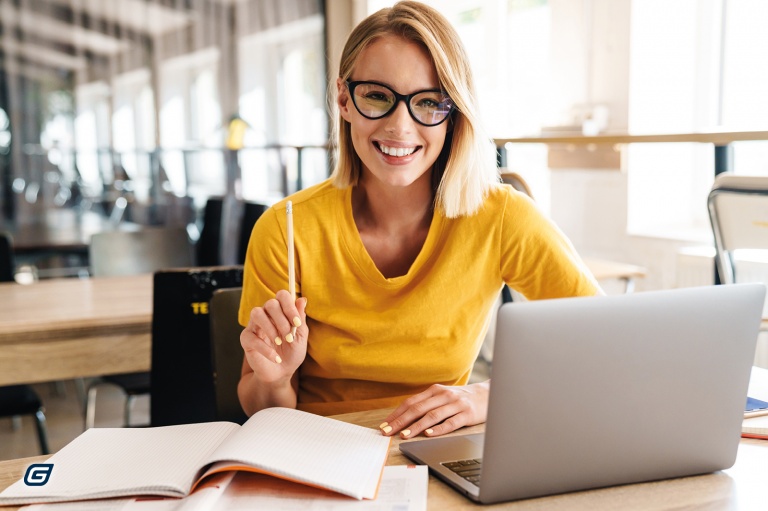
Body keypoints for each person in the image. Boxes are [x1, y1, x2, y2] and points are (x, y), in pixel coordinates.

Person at [237, 1, 600, 439]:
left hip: (438, 453)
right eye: (377, 96)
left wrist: (489, 395)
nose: (400, 126)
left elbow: (600, 340)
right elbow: (261, 408)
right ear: (343, 100)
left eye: (429, 103)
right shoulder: (286, 228)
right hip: (317, 452)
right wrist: (274, 380)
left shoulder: (502, 218)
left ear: (454, 114)